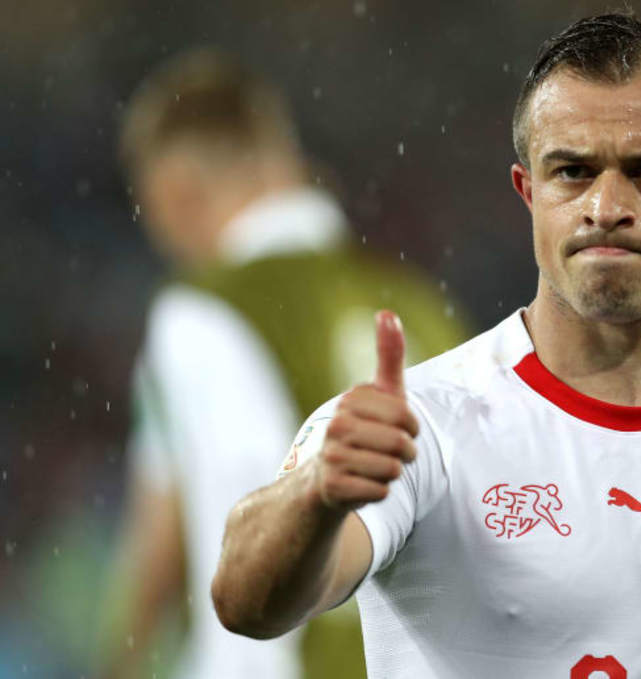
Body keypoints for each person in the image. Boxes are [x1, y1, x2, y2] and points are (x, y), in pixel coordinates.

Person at [211, 13, 641, 678]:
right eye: (572, 171)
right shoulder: (420, 431)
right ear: (529, 191)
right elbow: (247, 603)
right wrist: (315, 494)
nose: (606, 207)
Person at [101, 49, 469, 679]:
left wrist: (117, 663)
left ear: (176, 193)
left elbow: (180, 551)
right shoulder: (423, 304)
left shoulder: (199, 313)